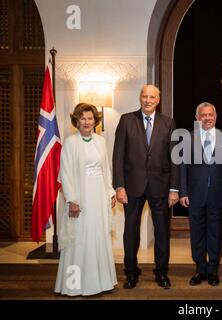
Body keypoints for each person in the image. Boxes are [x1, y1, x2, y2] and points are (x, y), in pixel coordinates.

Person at [112, 84, 179, 289]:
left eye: (152, 97)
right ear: (140, 98)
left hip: (161, 186)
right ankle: (131, 272)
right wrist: (119, 186)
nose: (148, 100)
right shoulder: (126, 120)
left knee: (161, 232)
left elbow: (175, 158)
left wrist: (174, 188)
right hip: (132, 187)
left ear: (158, 100)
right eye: (144, 96)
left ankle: (161, 272)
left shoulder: (168, 123)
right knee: (130, 231)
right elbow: (118, 155)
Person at [54, 103, 117, 296]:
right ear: (76, 121)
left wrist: (110, 192)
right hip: (80, 198)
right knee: (79, 238)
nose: (87, 122)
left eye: (90, 118)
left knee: (98, 235)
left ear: (95, 121)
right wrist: (72, 199)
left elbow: (106, 169)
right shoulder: (70, 143)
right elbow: (65, 174)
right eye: (83, 118)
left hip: (98, 196)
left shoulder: (101, 141)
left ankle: (101, 282)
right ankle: (74, 285)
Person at [179, 102, 222, 286]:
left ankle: (213, 269)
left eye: (210, 114)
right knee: (197, 232)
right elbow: (182, 168)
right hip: (194, 194)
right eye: (203, 115)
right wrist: (183, 192)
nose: (207, 118)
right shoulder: (188, 138)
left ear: (216, 116)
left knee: (215, 232)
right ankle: (200, 269)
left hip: (219, 194)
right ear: (197, 118)